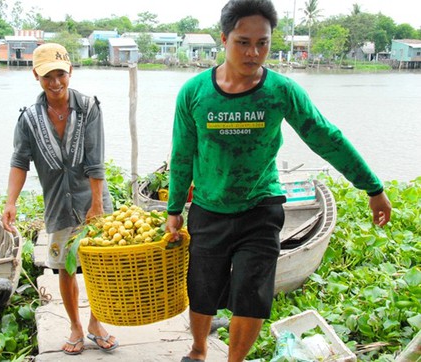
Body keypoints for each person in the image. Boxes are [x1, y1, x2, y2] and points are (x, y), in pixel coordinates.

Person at [164, 1, 392, 361]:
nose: (254, 53)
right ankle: (198, 350)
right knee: (202, 291)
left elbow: (326, 137)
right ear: (223, 39)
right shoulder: (194, 93)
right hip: (209, 207)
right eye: (242, 42)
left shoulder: (281, 91)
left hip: (262, 206)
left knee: (252, 297)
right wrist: (174, 209)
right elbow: (181, 155)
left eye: (262, 43)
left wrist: (372, 187)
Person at [2, 42, 118, 356]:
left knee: (101, 266)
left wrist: (96, 205)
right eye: (47, 76)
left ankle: (96, 323)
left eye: (60, 74)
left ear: (70, 72)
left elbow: (95, 159)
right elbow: (19, 162)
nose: (55, 83)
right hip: (58, 205)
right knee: (66, 268)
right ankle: (76, 326)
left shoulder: (88, 107)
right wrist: (10, 202)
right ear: (36, 76)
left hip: (92, 200)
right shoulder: (29, 118)